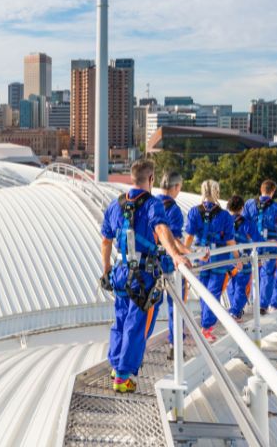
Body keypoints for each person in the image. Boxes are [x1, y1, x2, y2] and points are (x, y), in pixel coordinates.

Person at [100, 159, 189, 394]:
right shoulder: (152, 205)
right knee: (137, 326)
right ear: (151, 179)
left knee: (120, 320)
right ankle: (123, 376)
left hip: (120, 273)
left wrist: (106, 269)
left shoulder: (115, 204)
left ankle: (116, 363)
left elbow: (106, 240)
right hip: (143, 277)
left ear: (132, 178)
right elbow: (161, 229)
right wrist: (176, 256)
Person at [182, 179, 238, 342]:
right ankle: (206, 327)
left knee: (203, 291)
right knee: (213, 293)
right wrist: (238, 258)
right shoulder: (225, 216)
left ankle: (206, 325)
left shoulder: (194, 212)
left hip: (200, 257)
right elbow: (230, 241)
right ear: (217, 192)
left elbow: (189, 238)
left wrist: (186, 255)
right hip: (219, 258)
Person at [242, 179, 277, 315]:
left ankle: (243, 305)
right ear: (273, 191)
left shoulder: (249, 204)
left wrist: (248, 239)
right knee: (267, 274)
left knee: (248, 271)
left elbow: (243, 223)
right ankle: (262, 305)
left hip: (253, 243)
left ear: (261, 189)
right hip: (269, 244)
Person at [157, 172, 186, 357]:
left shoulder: (151, 204)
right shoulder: (174, 210)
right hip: (169, 263)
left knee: (147, 309)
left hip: (151, 263)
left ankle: (135, 353)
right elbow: (174, 240)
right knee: (175, 305)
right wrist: (186, 253)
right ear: (176, 187)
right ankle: (175, 346)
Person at [226, 195, 259, 321]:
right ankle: (235, 311)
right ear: (242, 208)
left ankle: (234, 309)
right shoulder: (247, 224)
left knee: (231, 285)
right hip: (243, 259)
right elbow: (257, 240)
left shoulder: (224, 221)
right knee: (242, 285)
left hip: (227, 259)